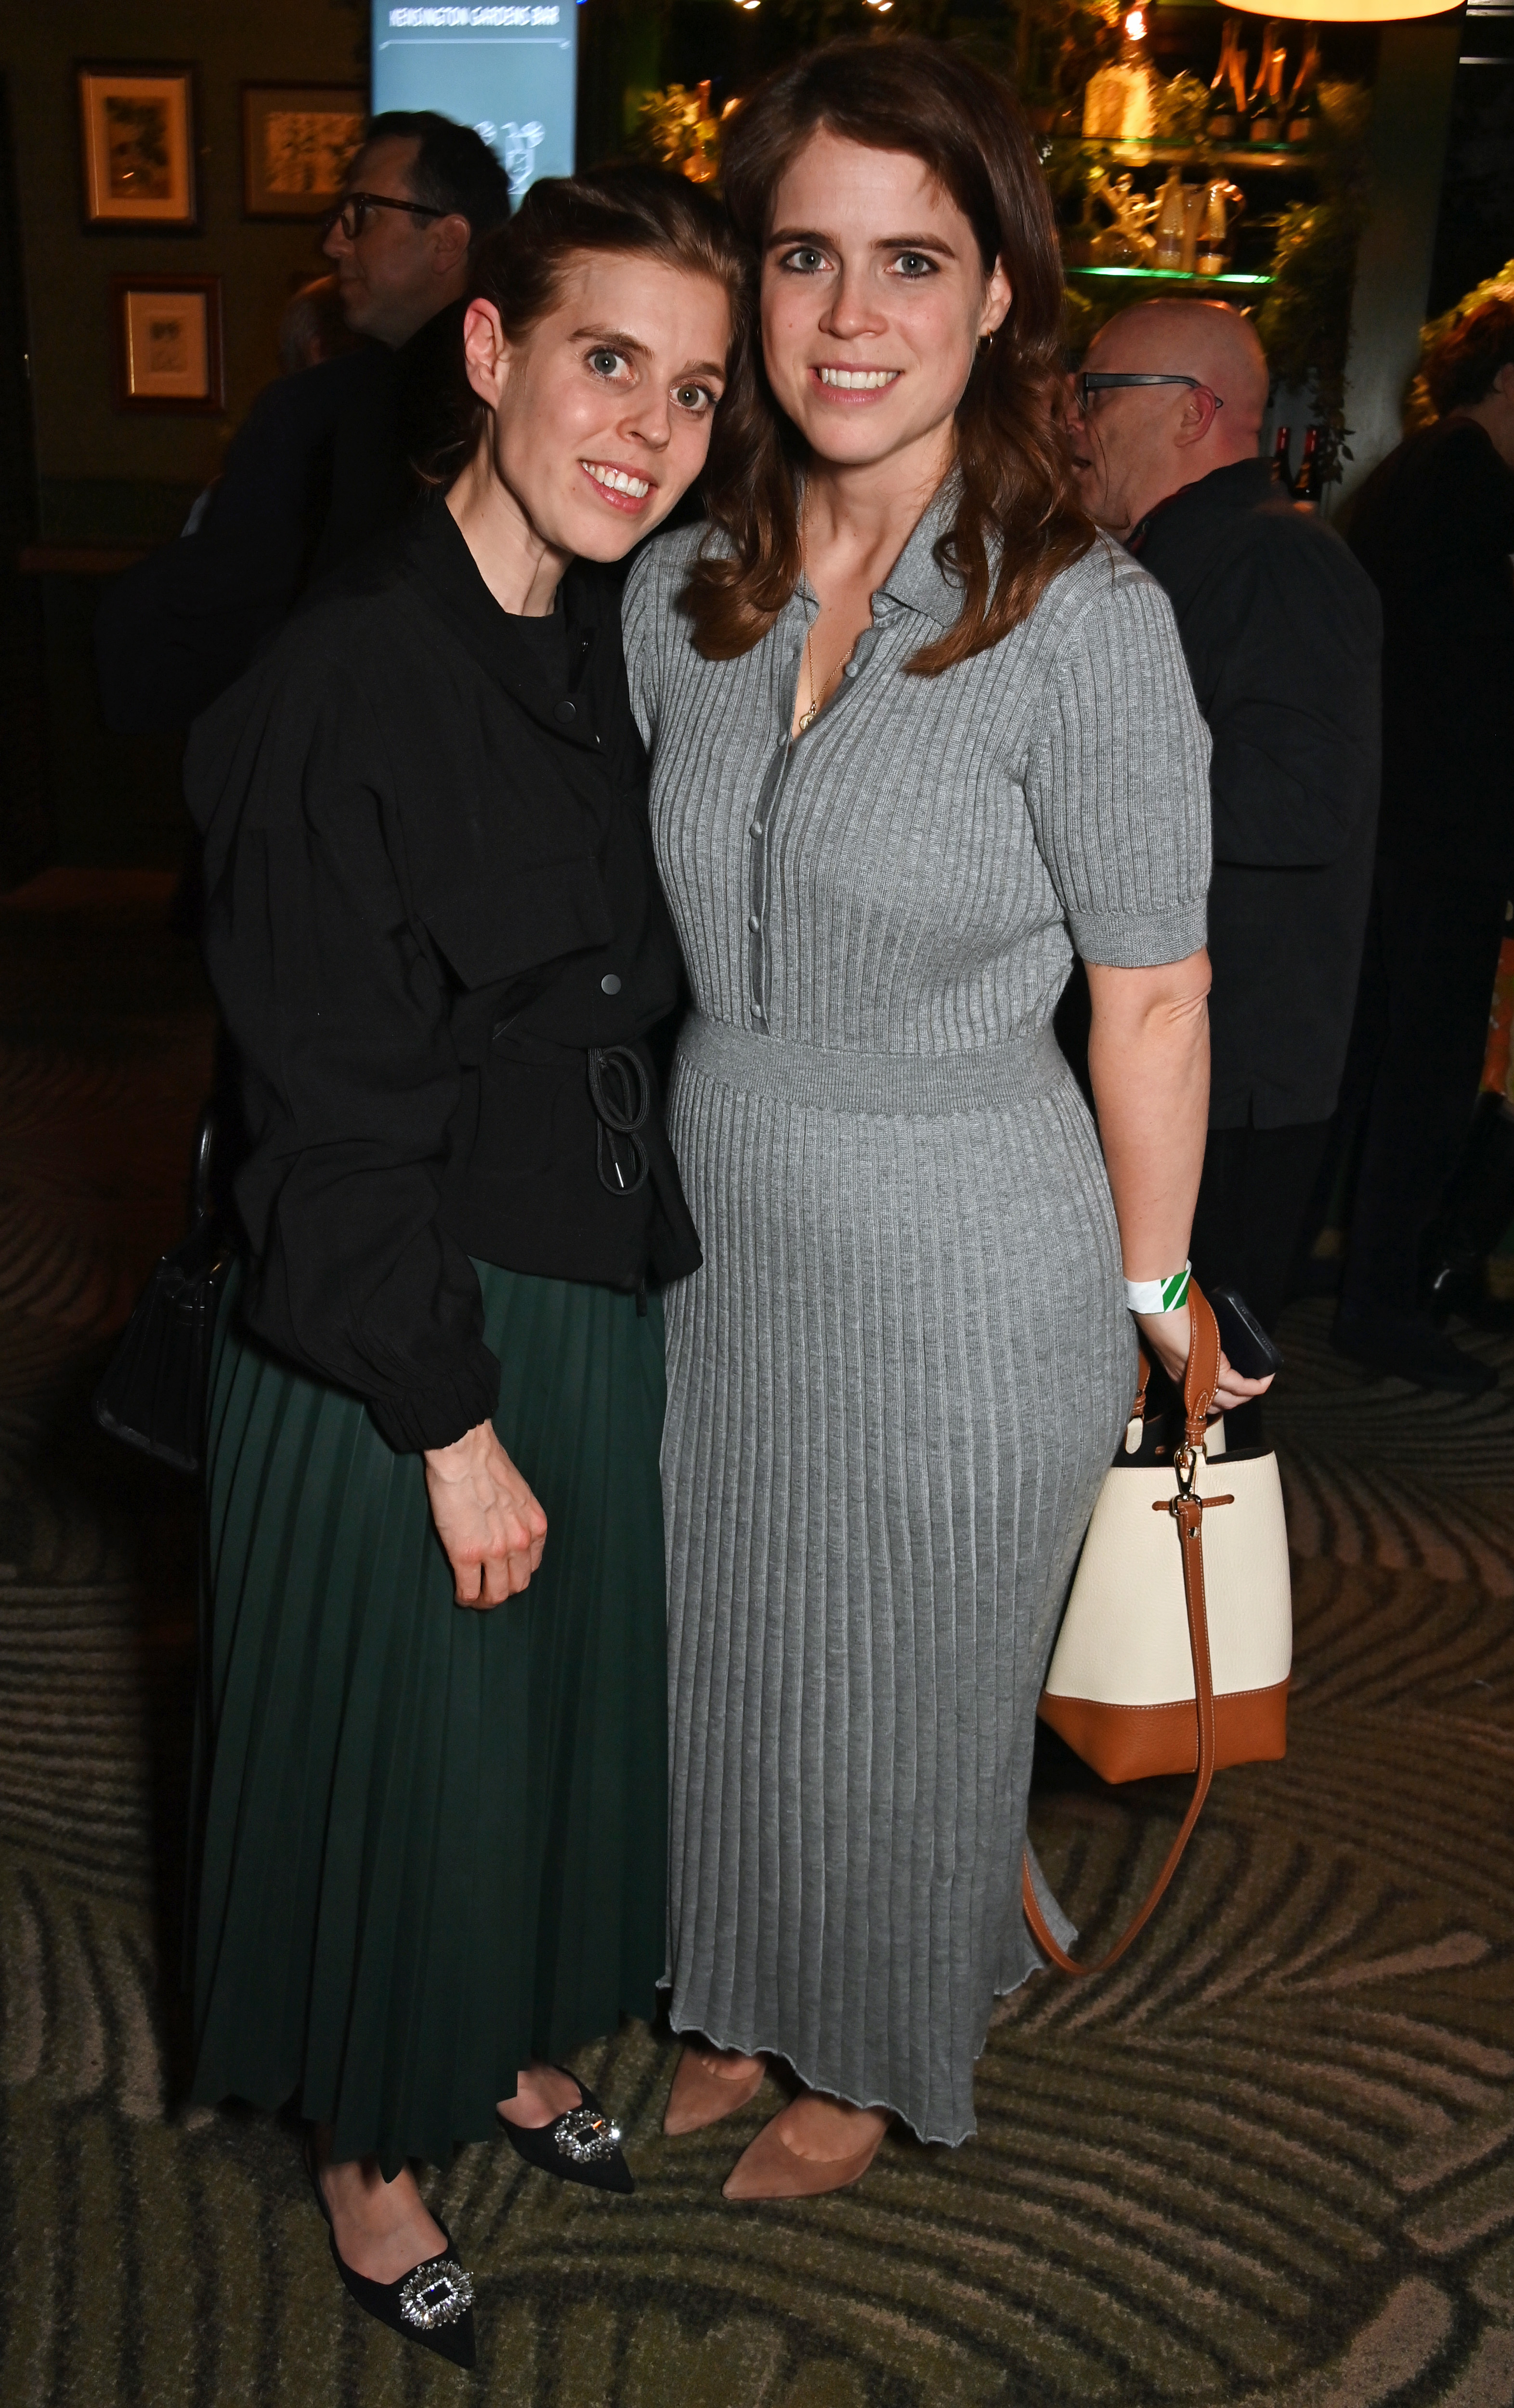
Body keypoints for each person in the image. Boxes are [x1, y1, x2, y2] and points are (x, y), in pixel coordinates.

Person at [623, 38, 1267, 2203]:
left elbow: (1155, 992)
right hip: (717, 1225)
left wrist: (1156, 1286)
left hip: (972, 1244)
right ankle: (732, 1987)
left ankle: (872, 2055)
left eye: (916, 257)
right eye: (807, 254)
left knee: (907, 1684)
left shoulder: (1082, 623)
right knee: (723, 1646)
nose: (853, 313)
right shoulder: (675, 592)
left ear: (1003, 291)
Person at [183, 169, 745, 2367]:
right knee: (399, 1758)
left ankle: (502, 2034)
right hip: (398, 1335)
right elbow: (324, 1103)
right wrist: (444, 1415)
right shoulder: (352, 671)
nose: (652, 429)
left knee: (535, 1738)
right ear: (495, 351)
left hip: (585, 1288)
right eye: (610, 361)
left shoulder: (605, 650)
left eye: (694, 392)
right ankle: (366, 2144)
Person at [1067, 299, 1382, 1443]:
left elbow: (1305, 802)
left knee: (1189, 1428)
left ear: (1193, 413)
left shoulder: (1275, 557)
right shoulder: (1182, 555)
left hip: (1229, 1078)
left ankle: (1174, 1631)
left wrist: (1065, 790)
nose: (1071, 420)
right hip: (1187, 1062)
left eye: (1095, 393)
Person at [96, 112, 509, 734]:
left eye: (362, 214)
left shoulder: (324, 410)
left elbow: (215, 617)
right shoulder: (515, 396)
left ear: (447, 242)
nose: (335, 244)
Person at [1328, 288, 1514, 1392]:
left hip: (1403, 821)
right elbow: (1484, 680)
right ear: (1509, 384)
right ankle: (1385, 1302)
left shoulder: (1422, 477)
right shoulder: (1473, 488)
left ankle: (1357, 1272)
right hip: (1444, 831)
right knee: (1428, 1069)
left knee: (1380, 1056)